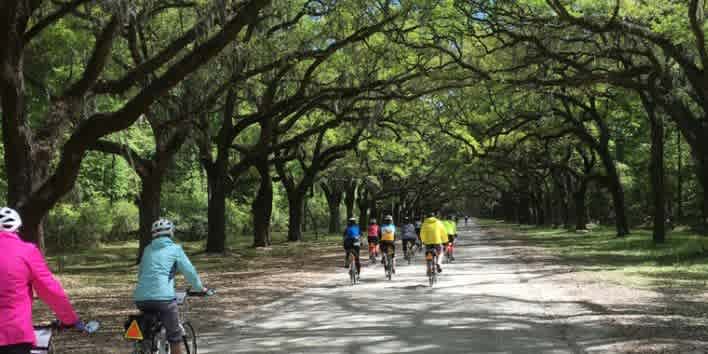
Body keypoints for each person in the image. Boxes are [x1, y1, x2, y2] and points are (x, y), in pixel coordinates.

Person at [0, 207, 82, 354]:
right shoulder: (26, 251)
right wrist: (69, 319)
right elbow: (49, 289)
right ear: (17, 229)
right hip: (13, 335)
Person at [134, 218, 208, 354]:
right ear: (171, 233)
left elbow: (141, 274)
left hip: (141, 299)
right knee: (174, 336)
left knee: (144, 332)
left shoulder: (147, 250)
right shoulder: (175, 249)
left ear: (153, 234)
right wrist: (200, 288)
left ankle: (142, 346)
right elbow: (189, 271)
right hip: (164, 299)